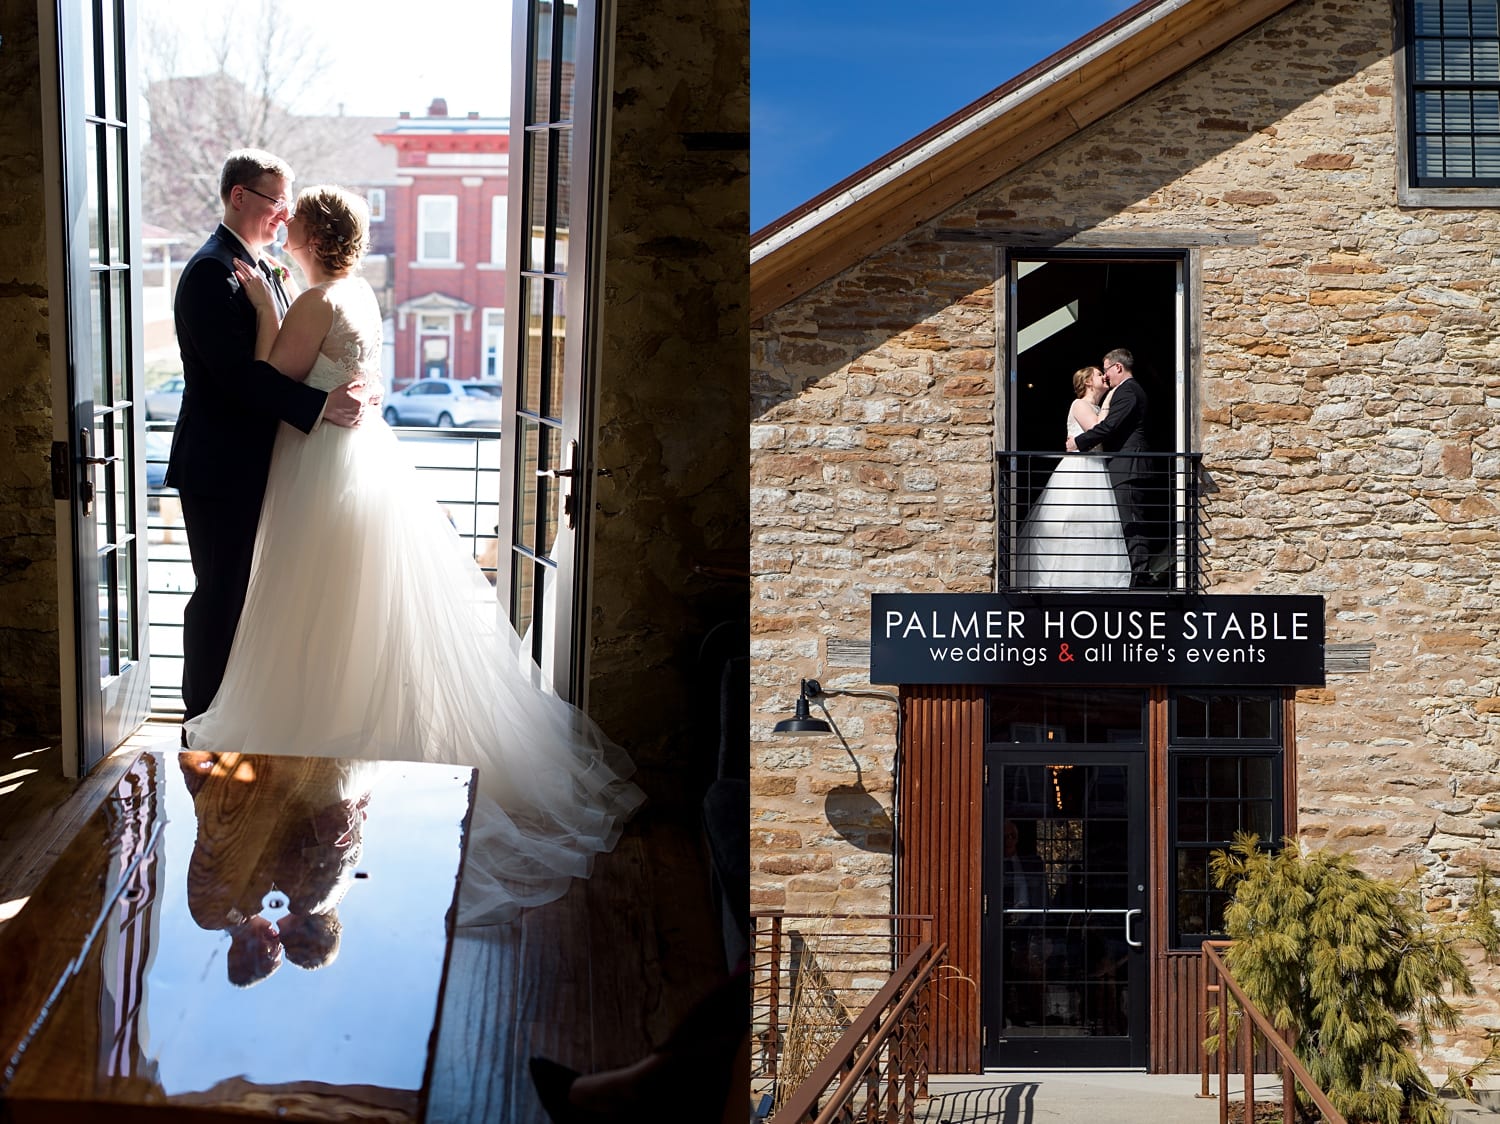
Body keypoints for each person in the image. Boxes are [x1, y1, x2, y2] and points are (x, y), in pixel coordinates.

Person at [182, 185, 644, 925]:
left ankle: (311, 752)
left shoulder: (314, 302)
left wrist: (268, 308)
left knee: (310, 602)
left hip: (320, 467)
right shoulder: (360, 292)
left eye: (291, 224)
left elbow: (272, 377)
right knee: (345, 606)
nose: (283, 229)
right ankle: (339, 750)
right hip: (356, 461)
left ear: (307, 237)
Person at [167, 149, 379, 727]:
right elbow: (236, 378)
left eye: (290, 206)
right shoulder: (212, 273)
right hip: (220, 466)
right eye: (276, 203)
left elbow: (294, 355)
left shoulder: (262, 271)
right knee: (219, 593)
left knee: (252, 597)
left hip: (266, 465)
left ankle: (243, 713)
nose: (285, 217)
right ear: (240, 197)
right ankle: (201, 719)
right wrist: (322, 405)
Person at [1015, 366, 1130, 589]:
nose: (1103, 376)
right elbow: (1096, 428)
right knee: (1073, 519)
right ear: (1088, 382)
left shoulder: (1096, 406)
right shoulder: (1080, 404)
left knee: (1097, 525)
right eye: (1098, 374)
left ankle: (1093, 580)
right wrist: (1108, 402)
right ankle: (1061, 580)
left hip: (1097, 466)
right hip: (1081, 467)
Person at [1067, 347, 1154, 586]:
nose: (1105, 376)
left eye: (1106, 370)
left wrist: (1078, 442)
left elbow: (1108, 427)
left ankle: (1140, 577)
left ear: (1117, 367)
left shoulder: (1127, 392)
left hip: (1128, 466)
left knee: (1131, 521)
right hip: (1116, 467)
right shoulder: (1121, 392)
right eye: (1100, 373)